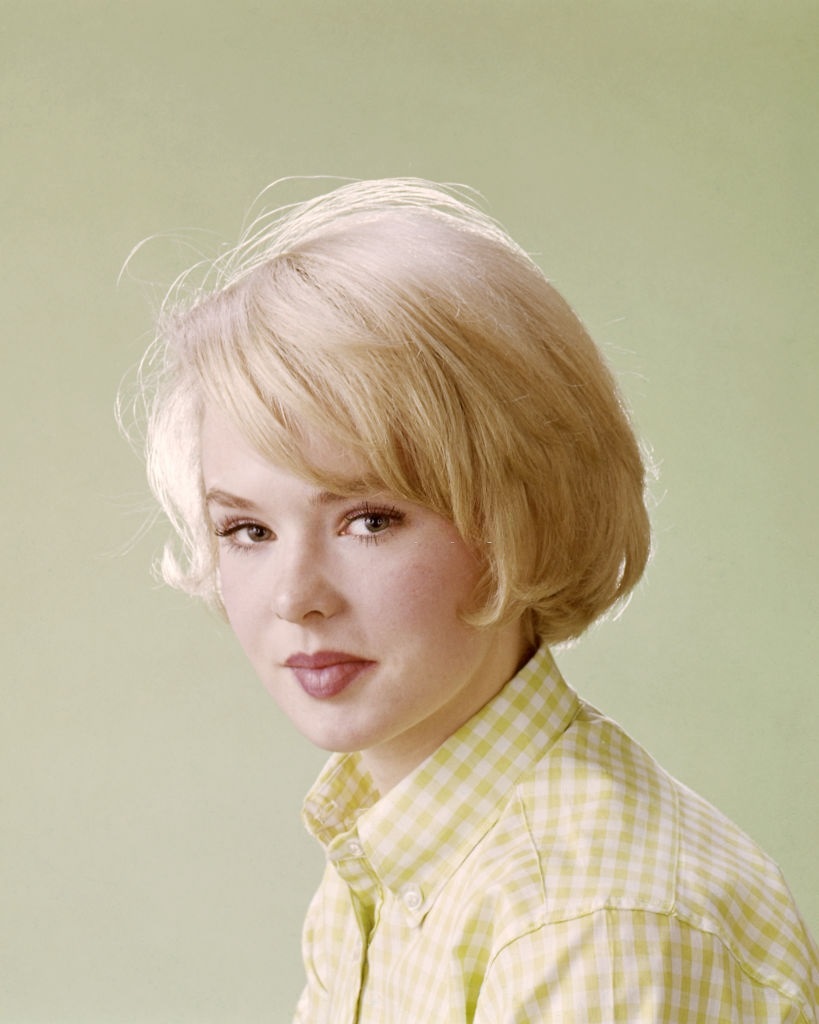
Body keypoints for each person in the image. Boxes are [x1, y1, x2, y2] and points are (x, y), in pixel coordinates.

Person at [129, 178, 818, 1021]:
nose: (294, 598)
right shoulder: (387, 843)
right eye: (247, 530)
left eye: (368, 520)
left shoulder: (588, 923)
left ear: (516, 522)